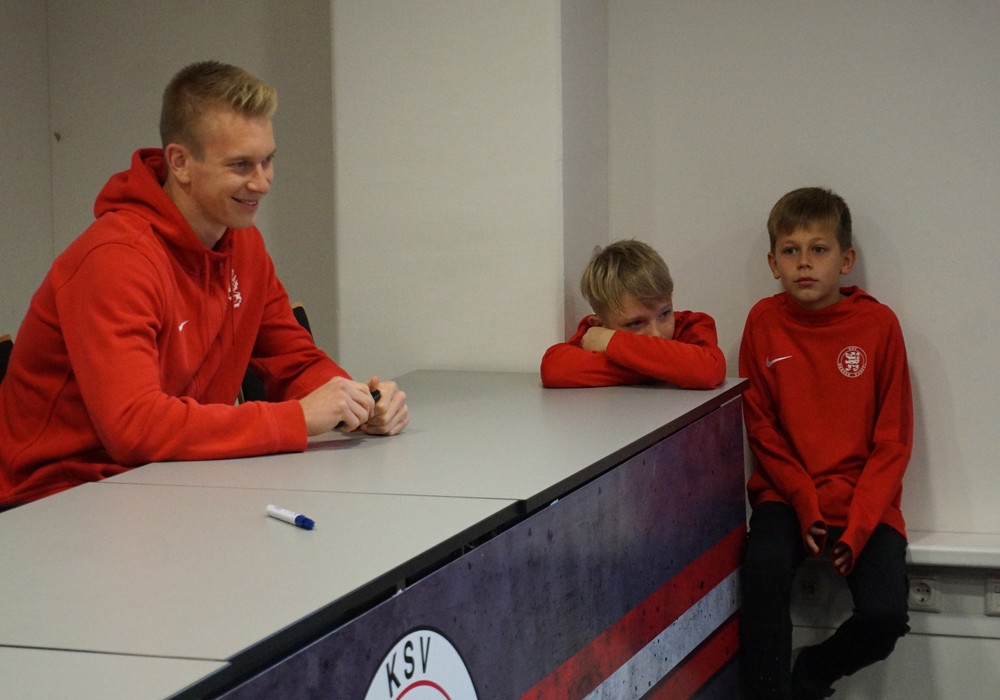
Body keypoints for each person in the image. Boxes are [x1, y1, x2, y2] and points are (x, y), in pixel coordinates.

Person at [0, 61, 408, 508]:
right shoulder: (115, 260)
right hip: (56, 500)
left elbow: (291, 362)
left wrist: (356, 402)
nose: (262, 182)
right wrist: (297, 419)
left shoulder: (244, 245)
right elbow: (134, 428)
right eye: (240, 165)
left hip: (165, 482)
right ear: (180, 163)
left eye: (268, 160)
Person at [739, 187, 912, 699]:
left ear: (846, 259)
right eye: (790, 250)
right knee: (763, 570)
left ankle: (812, 672)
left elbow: (893, 441)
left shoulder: (878, 325)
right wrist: (802, 498)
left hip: (864, 499)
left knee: (885, 616)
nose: (804, 263)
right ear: (773, 262)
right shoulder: (762, 321)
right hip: (786, 494)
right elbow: (761, 428)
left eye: (819, 249)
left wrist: (858, 528)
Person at [540, 239, 725, 389]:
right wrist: (670, 368)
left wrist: (612, 342)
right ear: (600, 325)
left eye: (664, 314)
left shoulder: (691, 326)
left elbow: (708, 370)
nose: (656, 334)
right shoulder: (593, 335)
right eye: (635, 323)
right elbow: (554, 370)